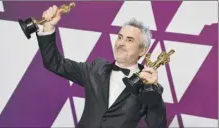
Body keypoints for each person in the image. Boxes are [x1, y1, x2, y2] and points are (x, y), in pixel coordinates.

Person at [36, 5, 167, 128]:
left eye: (129, 40)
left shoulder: (149, 86)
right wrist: (48, 28)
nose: (121, 43)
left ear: (142, 50)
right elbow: (54, 63)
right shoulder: (96, 68)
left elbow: (157, 125)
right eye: (120, 37)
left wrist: (153, 92)